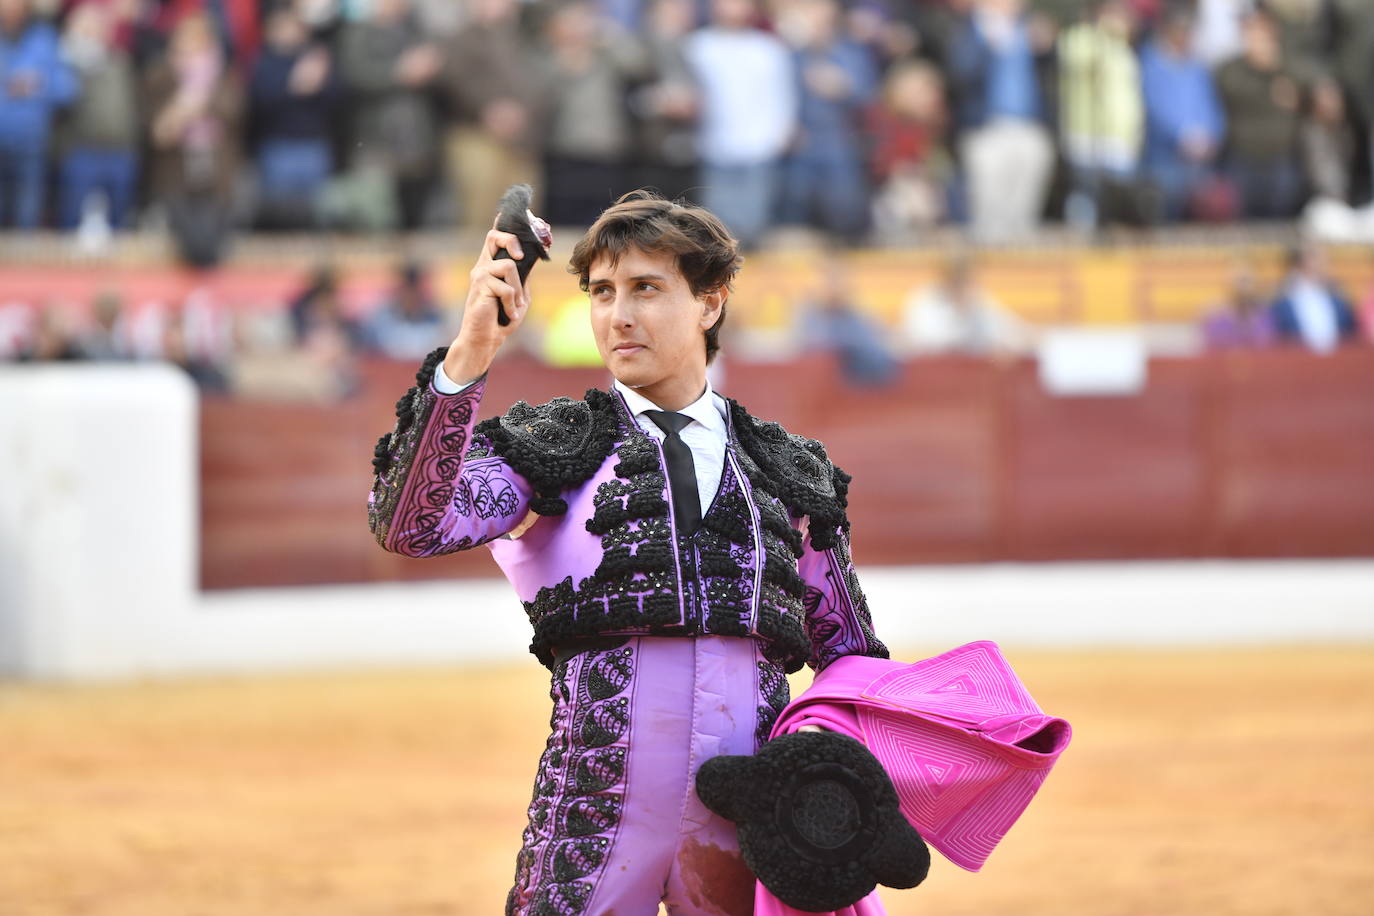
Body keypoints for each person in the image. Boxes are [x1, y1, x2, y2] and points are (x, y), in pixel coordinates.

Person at [367, 191, 889, 914]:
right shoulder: (555, 446)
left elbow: (853, 658)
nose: (619, 315)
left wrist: (832, 804)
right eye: (602, 292)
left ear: (711, 302)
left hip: (752, 820)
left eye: (647, 288)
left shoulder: (788, 470)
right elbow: (411, 523)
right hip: (593, 810)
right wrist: (471, 353)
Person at [1269, 243, 1359, 353]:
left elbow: (1350, 333)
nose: (1322, 266)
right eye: (1315, 260)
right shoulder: (1283, 303)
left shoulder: (1339, 301)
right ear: (1300, 264)